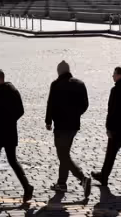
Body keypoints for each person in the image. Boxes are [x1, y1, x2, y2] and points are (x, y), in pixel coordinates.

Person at [0, 69, 34, 202]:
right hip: (9, 131)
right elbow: (20, 110)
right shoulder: (13, 91)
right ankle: (26, 186)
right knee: (12, 160)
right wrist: (10, 121)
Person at [44, 61, 91, 198]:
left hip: (60, 125)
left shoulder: (56, 84)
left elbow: (50, 104)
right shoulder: (80, 84)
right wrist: (76, 114)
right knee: (64, 153)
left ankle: (82, 178)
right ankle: (62, 183)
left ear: (59, 71)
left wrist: (48, 121)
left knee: (63, 155)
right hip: (73, 125)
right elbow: (85, 104)